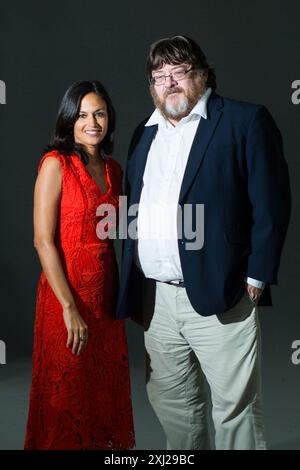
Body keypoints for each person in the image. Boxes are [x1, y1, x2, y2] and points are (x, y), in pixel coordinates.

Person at [117, 36, 291, 450]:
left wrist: (258, 273)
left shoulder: (244, 121)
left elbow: (272, 202)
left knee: (236, 411)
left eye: (179, 72)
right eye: (159, 76)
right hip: (157, 303)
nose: (170, 83)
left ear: (203, 74)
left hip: (225, 291)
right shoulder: (143, 135)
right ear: (151, 87)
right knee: (176, 411)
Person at [24, 80, 135, 450]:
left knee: (102, 394)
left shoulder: (115, 170)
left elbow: (123, 233)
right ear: (69, 120)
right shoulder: (56, 164)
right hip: (66, 298)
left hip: (105, 300)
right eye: (83, 114)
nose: (93, 122)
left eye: (100, 113)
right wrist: (70, 307)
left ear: (109, 119)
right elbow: (43, 240)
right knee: (67, 398)